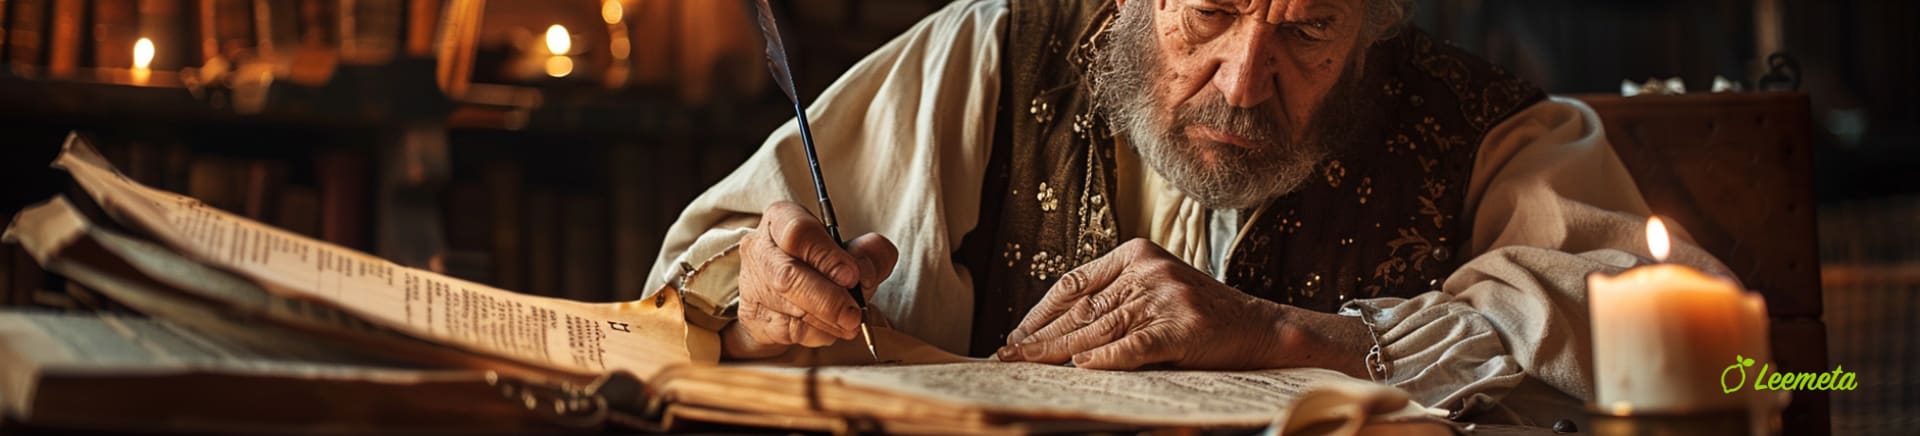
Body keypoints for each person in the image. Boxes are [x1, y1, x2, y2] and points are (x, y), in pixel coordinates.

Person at [646, 0, 1729, 425]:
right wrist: (758, 297)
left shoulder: (1488, 128)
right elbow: (700, 266)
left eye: (1307, 30)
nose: (1243, 79)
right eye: (1208, 11)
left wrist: (1310, 342)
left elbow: (1704, 340)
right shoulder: (984, 57)